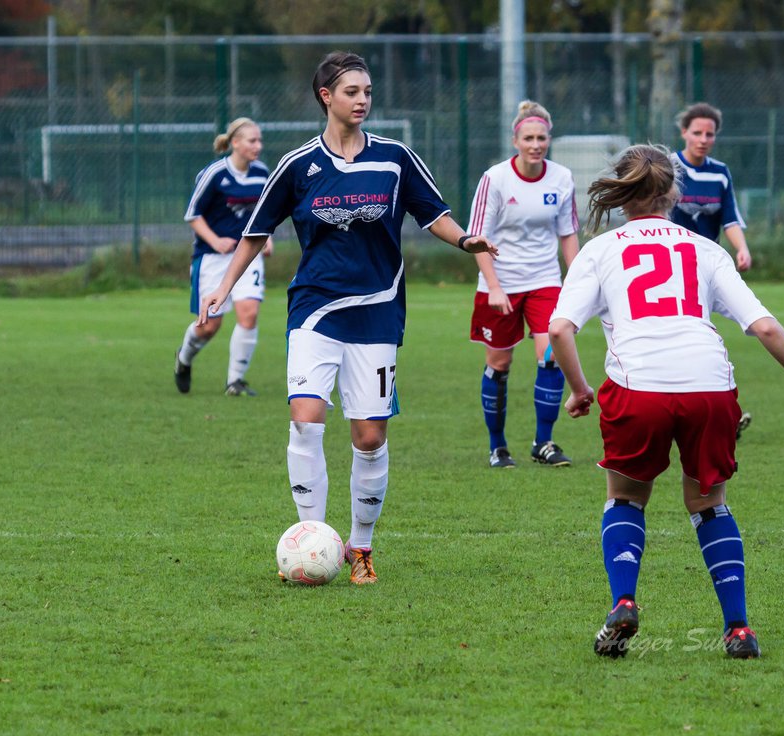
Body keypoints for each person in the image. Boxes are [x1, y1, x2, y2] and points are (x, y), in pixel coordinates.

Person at [198, 51, 497, 584]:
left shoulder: (395, 158)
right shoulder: (297, 166)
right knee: (305, 420)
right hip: (314, 308)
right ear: (326, 97)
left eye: (367, 91)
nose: (362, 100)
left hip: (378, 312)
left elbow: (437, 216)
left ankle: (362, 547)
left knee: (368, 436)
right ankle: (314, 539)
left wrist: (466, 240)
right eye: (352, 92)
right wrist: (223, 287)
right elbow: (256, 233)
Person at [547, 144, 784, 659]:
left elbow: (560, 329)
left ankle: (624, 602)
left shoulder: (600, 250)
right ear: (675, 193)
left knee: (627, 498)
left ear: (624, 194)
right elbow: (762, 326)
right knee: (708, 504)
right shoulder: (704, 249)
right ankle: (739, 630)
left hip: (639, 391)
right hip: (710, 388)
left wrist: (581, 390)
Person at [467, 100, 580, 469]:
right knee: (499, 363)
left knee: (551, 355)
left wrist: (577, 281)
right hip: (500, 282)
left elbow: (567, 234)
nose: (536, 144)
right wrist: (495, 286)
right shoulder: (495, 179)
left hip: (544, 279)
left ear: (549, 140)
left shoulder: (562, 178)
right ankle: (497, 446)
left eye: (541, 138)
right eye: (528, 138)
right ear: (515, 140)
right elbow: (477, 238)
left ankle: (543, 442)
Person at [671, 102, 754, 439]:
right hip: (672, 268)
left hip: (707, 269)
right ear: (684, 133)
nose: (703, 139)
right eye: (697, 133)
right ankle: (707, 413)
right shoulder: (669, 168)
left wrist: (741, 247)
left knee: (707, 339)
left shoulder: (719, 172)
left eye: (710, 134)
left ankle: (718, 413)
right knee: (695, 339)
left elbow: (729, 218)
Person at [174, 118, 272, 396]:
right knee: (209, 326)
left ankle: (235, 382)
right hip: (212, 259)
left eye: (260, 140)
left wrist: (267, 238)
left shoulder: (262, 173)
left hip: (248, 256)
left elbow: (264, 213)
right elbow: (192, 214)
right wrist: (215, 240)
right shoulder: (215, 173)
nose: (258, 146)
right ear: (235, 143)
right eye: (252, 140)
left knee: (249, 313)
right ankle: (184, 358)